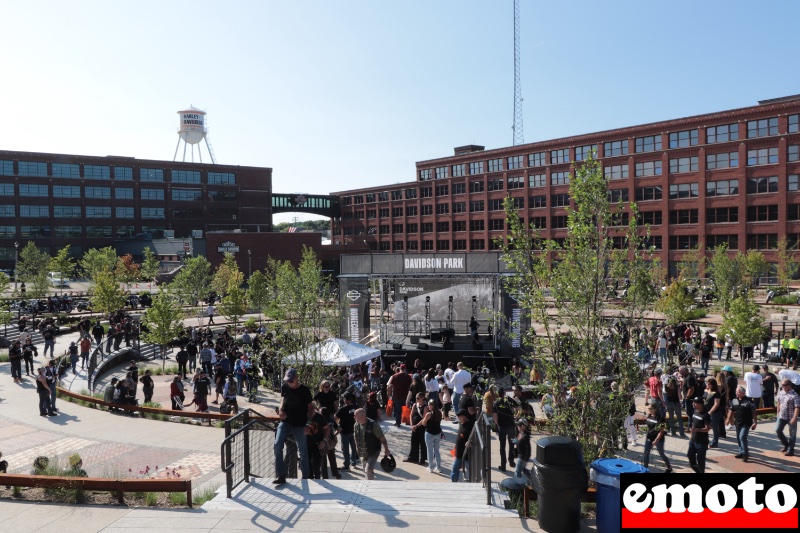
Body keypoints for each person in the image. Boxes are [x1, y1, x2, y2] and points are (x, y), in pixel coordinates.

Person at [273, 368, 313, 484]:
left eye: (291, 380)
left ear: (296, 378)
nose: (289, 383)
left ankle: (306, 476)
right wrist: (280, 409)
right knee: (277, 446)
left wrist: (308, 424)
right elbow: (283, 399)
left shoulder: (305, 390)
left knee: (302, 451)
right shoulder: (285, 387)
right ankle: (281, 475)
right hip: (286, 422)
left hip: (300, 424)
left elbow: (311, 408)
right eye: (287, 380)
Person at [353, 408, 392, 480]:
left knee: (368, 470)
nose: (354, 417)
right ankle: (369, 480)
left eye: (355, 416)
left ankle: (369, 486)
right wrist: (356, 447)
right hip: (363, 452)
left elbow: (382, 438)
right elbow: (355, 436)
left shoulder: (373, 425)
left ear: (362, 416)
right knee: (365, 470)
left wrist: (386, 449)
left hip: (373, 451)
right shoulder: (356, 425)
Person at [727, 386, 757, 462]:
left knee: (742, 437)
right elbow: (731, 410)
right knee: (738, 438)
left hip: (746, 423)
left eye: (739, 392)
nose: (737, 393)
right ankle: (741, 451)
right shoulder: (735, 400)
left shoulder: (749, 401)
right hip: (738, 423)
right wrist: (728, 419)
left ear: (743, 393)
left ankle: (745, 454)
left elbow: (754, 412)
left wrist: (755, 422)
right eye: (737, 392)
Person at [642, 402, 672, 473]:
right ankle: (645, 469)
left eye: (650, 408)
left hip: (658, 439)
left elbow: (661, 431)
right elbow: (649, 426)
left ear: (655, 409)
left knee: (661, 453)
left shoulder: (660, 418)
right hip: (649, 437)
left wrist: (656, 440)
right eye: (648, 408)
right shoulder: (649, 415)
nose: (649, 410)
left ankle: (669, 467)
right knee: (646, 453)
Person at [492, 386, 517, 471]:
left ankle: (503, 465)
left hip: (502, 427)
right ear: (504, 393)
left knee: (502, 446)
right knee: (511, 444)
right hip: (511, 426)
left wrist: (497, 424)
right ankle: (511, 461)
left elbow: (495, 416)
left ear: (498, 394)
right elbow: (519, 408)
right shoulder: (509, 400)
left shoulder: (496, 403)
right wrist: (515, 417)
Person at [335, 393, 359, 471]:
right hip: (353, 430)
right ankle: (354, 462)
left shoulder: (343, 409)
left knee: (345, 449)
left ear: (345, 399)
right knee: (353, 447)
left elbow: (336, 417)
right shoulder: (355, 407)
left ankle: (346, 465)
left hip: (345, 431)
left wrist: (338, 423)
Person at [776, 378, 799, 457]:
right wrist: (777, 412)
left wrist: (794, 418)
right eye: (781, 385)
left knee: (792, 434)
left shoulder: (795, 395)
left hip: (791, 417)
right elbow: (779, 402)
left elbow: (797, 407)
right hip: (781, 416)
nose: (782, 386)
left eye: (784, 385)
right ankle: (786, 444)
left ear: (789, 386)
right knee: (778, 430)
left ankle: (791, 450)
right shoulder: (781, 392)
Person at [688, 397, 711, 474]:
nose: (693, 404)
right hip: (693, 440)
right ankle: (697, 470)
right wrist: (691, 436)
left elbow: (707, 428)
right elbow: (693, 424)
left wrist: (697, 430)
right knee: (690, 455)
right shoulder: (695, 412)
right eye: (693, 402)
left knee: (701, 461)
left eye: (695, 403)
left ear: (700, 404)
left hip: (701, 442)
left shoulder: (705, 415)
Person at [451, 409, 475, 482]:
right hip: (458, 453)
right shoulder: (461, 424)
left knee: (468, 470)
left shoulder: (470, 426)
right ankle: (453, 482)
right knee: (455, 467)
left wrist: (470, 442)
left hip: (466, 454)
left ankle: (469, 482)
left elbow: (474, 437)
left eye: (459, 416)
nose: (458, 417)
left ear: (464, 416)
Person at [421, 399, 444, 473]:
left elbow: (423, 423)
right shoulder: (439, 413)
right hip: (438, 433)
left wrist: (425, 419)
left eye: (429, 405)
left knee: (430, 450)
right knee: (437, 450)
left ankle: (430, 467)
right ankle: (438, 467)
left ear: (432, 406)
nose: (428, 406)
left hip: (429, 433)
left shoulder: (429, 414)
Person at [406, 392, 429, 465]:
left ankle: (422, 459)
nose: (416, 399)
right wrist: (412, 425)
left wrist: (416, 426)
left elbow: (424, 418)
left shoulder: (425, 407)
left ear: (422, 398)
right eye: (416, 398)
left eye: (418, 398)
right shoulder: (414, 405)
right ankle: (413, 457)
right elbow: (411, 415)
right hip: (414, 426)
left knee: (422, 443)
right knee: (414, 442)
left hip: (421, 427)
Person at [663, 372, 685, 438]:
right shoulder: (677, 387)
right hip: (676, 403)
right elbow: (680, 397)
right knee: (679, 418)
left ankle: (673, 432)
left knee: (671, 418)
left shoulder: (666, 387)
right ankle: (682, 433)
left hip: (669, 403)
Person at [704, 378, 723, 448]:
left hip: (715, 412)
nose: (707, 385)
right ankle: (705, 440)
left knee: (714, 427)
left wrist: (711, 412)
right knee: (705, 426)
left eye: (709, 384)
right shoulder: (706, 391)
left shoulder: (716, 393)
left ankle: (715, 442)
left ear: (713, 385)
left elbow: (716, 403)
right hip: (705, 411)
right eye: (707, 383)